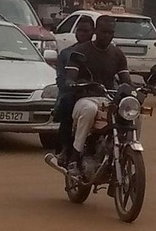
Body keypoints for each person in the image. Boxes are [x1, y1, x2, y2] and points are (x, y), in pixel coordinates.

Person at [65, 16, 131, 174]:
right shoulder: (80, 51)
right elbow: (70, 76)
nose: (108, 36)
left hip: (108, 99)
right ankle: (74, 157)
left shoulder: (117, 54)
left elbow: (126, 80)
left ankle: (126, 150)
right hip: (85, 98)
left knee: (131, 112)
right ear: (95, 31)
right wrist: (73, 82)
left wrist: (133, 90)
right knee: (90, 110)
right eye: (104, 32)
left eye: (111, 32)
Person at [53, 16, 94, 165]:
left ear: (93, 32)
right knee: (67, 103)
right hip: (73, 94)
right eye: (80, 30)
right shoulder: (66, 53)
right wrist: (72, 85)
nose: (82, 33)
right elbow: (61, 80)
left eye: (86, 31)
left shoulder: (98, 52)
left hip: (95, 94)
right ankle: (65, 148)